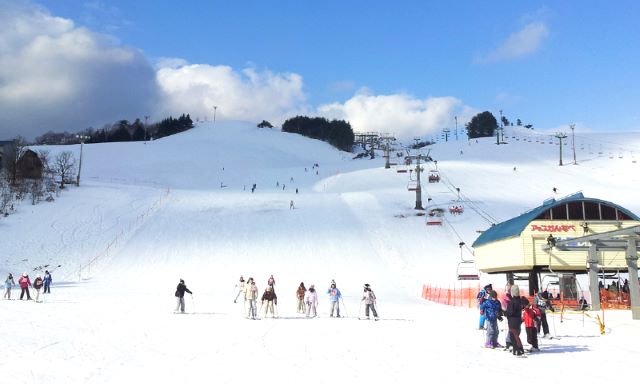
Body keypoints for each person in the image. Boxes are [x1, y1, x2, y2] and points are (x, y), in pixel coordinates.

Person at [504, 285, 525, 356]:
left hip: (513, 321)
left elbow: (510, 312)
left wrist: (504, 312)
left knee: (514, 336)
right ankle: (516, 349)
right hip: (518, 320)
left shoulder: (512, 302)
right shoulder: (519, 300)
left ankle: (519, 349)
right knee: (515, 335)